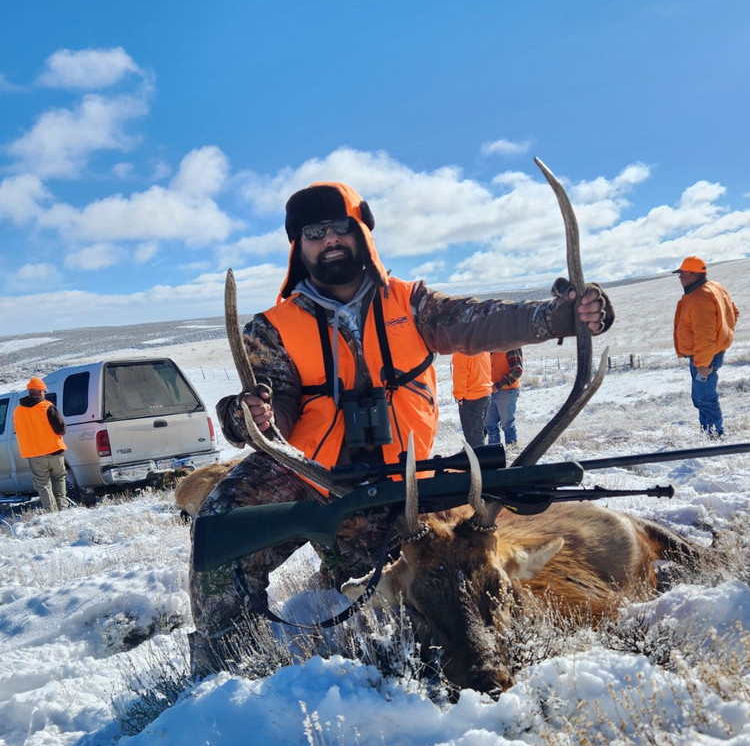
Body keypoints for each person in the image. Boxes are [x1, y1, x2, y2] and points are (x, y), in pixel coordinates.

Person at [189, 181, 615, 675]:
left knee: (441, 576)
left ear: (361, 234)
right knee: (221, 523)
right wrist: (251, 415)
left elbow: (479, 321)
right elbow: (273, 401)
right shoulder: (270, 328)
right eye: (314, 232)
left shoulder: (412, 304)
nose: (329, 240)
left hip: (399, 482)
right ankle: (224, 669)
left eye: (339, 228)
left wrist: (562, 315)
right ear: (298, 246)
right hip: (306, 476)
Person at [672, 256, 739, 438]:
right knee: (702, 397)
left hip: (705, 357)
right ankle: (708, 432)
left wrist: (703, 363)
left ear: (692, 274)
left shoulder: (700, 297)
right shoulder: (715, 287)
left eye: (682, 274)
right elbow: (734, 312)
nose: (680, 278)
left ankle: (714, 436)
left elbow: (704, 335)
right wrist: (723, 335)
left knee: (705, 398)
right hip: (709, 354)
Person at [13, 377, 68, 511]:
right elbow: (61, 428)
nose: (44, 393)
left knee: (43, 485)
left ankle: (51, 511)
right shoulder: (47, 406)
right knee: (59, 479)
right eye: (43, 391)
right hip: (55, 451)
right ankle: (63, 510)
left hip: (35, 455)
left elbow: (18, 431)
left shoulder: (18, 411)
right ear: (39, 392)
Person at [451, 352, 492, 447]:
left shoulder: (461, 354)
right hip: (486, 395)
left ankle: (478, 459)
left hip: (472, 399)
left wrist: (459, 397)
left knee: (474, 439)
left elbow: (460, 378)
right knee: (479, 434)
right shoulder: (484, 349)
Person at [485, 348, 523, 446]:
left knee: (507, 425)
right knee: (490, 426)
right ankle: (494, 455)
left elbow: (517, 370)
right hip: (489, 391)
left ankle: (512, 452)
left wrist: (498, 385)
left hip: (507, 391)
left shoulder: (511, 345)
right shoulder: (487, 346)